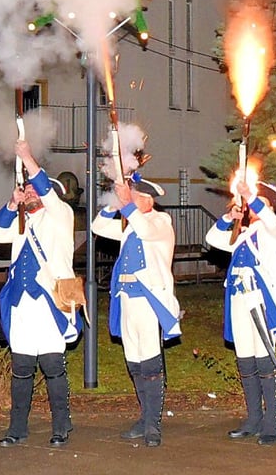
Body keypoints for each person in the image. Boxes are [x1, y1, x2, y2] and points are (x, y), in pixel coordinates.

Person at [0, 140, 81, 448]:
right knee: (22, 369)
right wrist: (11, 205)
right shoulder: (22, 220)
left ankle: (61, 426)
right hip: (21, 305)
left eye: (33, 190)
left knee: (53, 367)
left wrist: (26, 157)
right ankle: (17, 428)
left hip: (51, 301)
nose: (29, 191)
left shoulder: (61, 215)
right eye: (26, 189)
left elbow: (45, 190)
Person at [91, 174, 180, 447]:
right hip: (126, 300)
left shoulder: (160, 222)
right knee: (135, 361)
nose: (129, 201)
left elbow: (145, 230)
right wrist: (114, 204)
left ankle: (153, 424)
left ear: (148, 200)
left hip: (149, 300)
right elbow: (97, 226)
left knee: (151, 362)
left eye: (134, 197)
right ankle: (144, 417)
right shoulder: (129, 225)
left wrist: (127, 204)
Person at [205, 178, 276, 446]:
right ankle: (253, 418)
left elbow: (268, 218)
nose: (253, 208)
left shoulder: (275, 229)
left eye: (260, 204)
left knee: (265, 361)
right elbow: (212, 239)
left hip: (263, 301)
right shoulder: (241, 233)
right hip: (240, 300)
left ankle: (271, 421)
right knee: (246, 360)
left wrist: (250, 195)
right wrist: (230, 217)